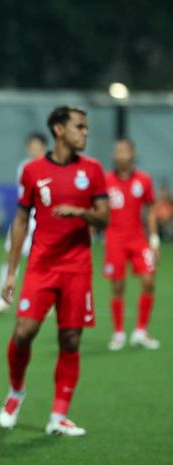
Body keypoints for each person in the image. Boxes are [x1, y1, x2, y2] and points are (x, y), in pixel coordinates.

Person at [0, 106, 109, 436]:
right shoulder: (33, 171)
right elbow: (20, 220)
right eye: (79, 127)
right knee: (23, 332)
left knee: (71, 339)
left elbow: (104, 218)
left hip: (77, 268)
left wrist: (81, 212)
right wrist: (12, 271)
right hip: (42, 267)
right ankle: (16, 392)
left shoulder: (93, 170)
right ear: (59, 130)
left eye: (86, 127)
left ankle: (58, 415)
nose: (85, 132)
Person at [103, 139, 161, 350]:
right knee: (118, 286)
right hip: (114, 240)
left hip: (138, 239)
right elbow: (97, 208)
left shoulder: (144, 180)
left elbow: (151, 209)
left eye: (125, 151)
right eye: (117, 151)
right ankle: (118, 333)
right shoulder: (106, 180)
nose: (121, 155)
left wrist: (154, 239)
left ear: (133, 154)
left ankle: (140, 332)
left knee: (148, 281)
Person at [0, 132, 47, 315]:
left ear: (43, 146)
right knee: (11, 254)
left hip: (43, 218)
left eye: (37, 145)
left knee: (42, 260)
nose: (34, 149)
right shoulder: (24, 166)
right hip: (25, 217)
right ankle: (2, 298)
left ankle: (45, 300)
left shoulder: (50, 166)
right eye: (31, 146)